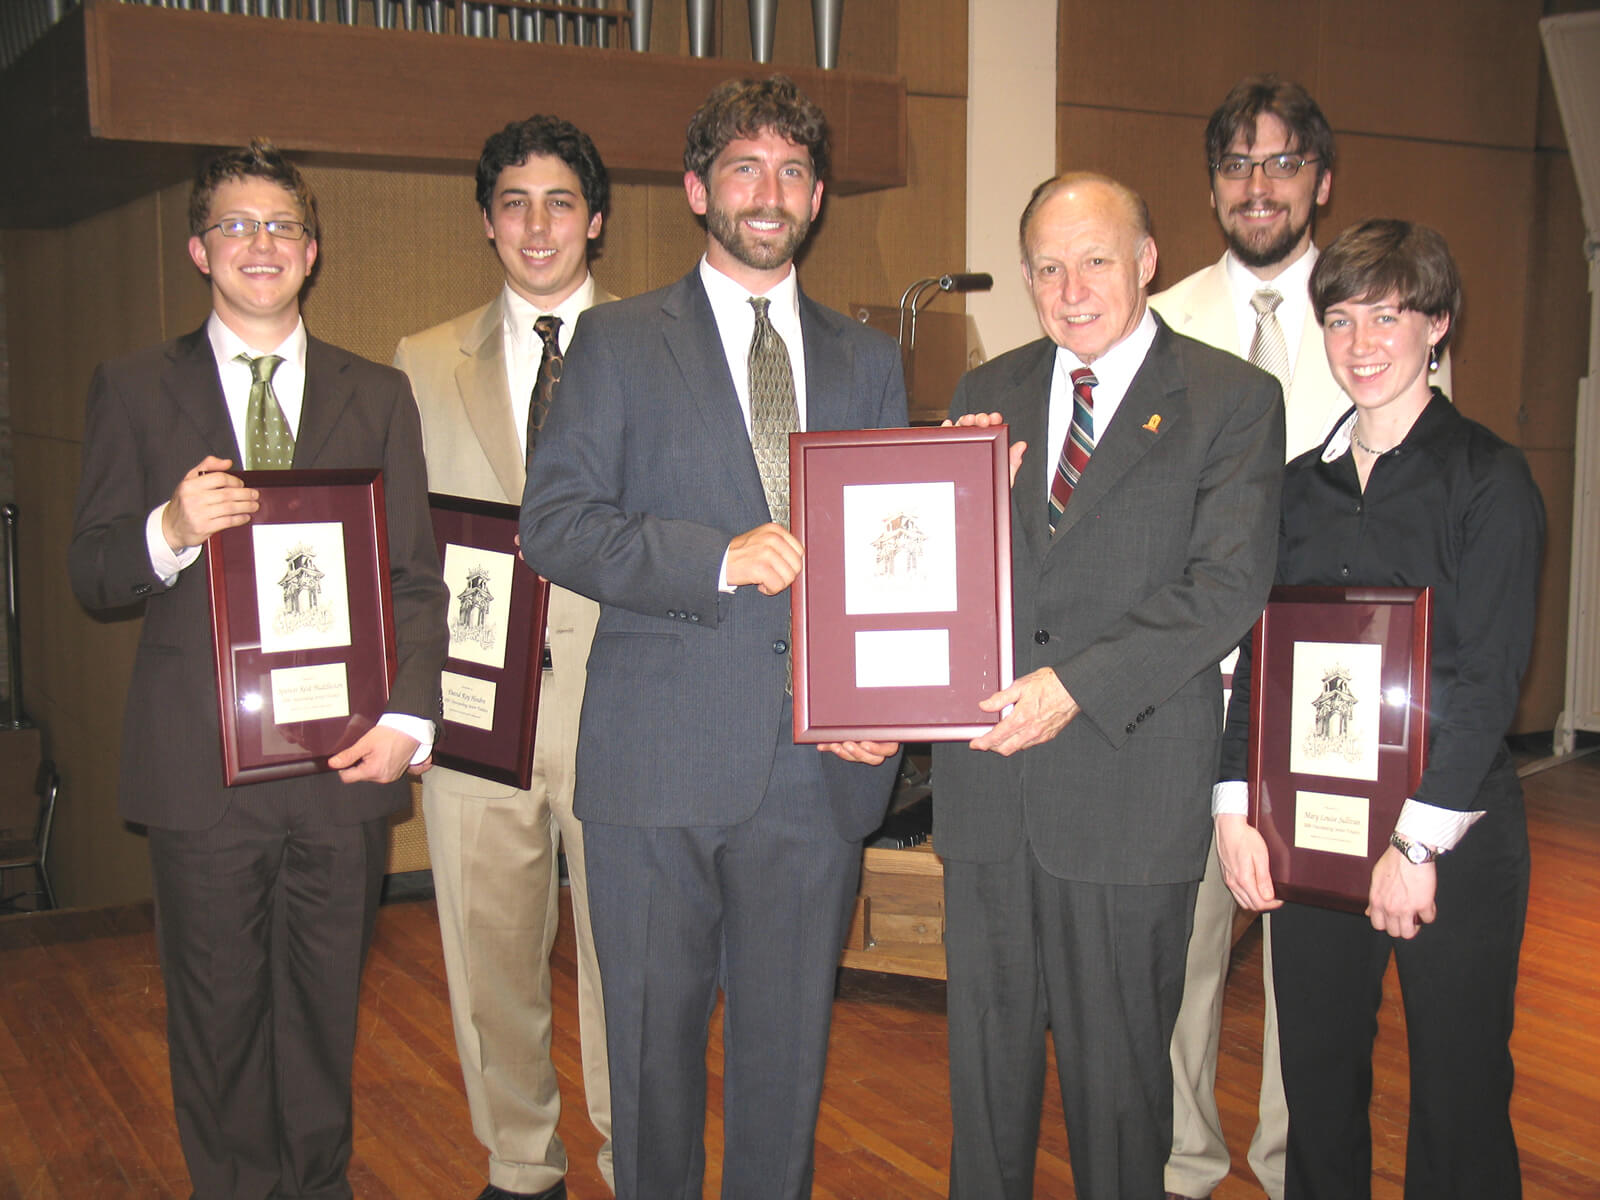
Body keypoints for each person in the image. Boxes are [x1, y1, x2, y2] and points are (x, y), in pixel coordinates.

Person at [518, 76, 907, 1200]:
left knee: (786, 1072)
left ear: (818, 196)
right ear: (697, 190)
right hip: (658, 768)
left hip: (814, 770)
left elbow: (893, 555)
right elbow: (557, 526)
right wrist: (716, 557)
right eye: (743, 167)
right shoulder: (615, 341)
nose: (768, 191)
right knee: (650, 1067)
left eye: (791, 171)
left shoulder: (866, 358)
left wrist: (876, 709)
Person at [68, 140, 447, 1198]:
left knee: (323, 1018)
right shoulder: (135, 388)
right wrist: (168, 527)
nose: (260, 244)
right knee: (219, 1020)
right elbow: (93, 571)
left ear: (312, 251)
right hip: (203, 775)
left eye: (280, 225)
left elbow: (415, 577)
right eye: (236, 225)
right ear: (199, 250)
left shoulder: (378, 395)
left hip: (343, 765)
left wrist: (410, 720)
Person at [931, 172, 1285, 1200]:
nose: (1070, 286)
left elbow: (1223, 589)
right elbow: (935, 585)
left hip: (1126, 797)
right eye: (1047, 265)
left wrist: (1071, 687)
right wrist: (962, 507)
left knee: (1120, 1093)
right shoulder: (981, 396)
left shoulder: (1229, 401)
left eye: (1094, 260)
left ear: (1145, 261)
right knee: (983, 1091)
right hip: (989, 794)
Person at [1148, 74, 1441, 1200]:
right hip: (1190, 690)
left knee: (1310, 964)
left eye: (1279, 164)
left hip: (1329, 706)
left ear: (1321, 179)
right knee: (1180, 949)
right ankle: (1181, 1159)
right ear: (1212, 184)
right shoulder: (1162, 317)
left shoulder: (1375, 319)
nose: (1256, 186)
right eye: (1236, 165)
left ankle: (1286, 1164)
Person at [1214, 219, 1543, 1199]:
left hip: (1454, 842)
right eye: (1342, 317)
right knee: (1315, 1091)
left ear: (1436, 324)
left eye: (1389, 316)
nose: (1361, 343)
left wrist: (1415, 848)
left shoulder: (1488, 480)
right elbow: (1256, 656)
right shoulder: (1293, 492)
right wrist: (1233, 809)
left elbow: (1488, 678)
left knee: (1460, 1094)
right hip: (1310, 837)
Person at [393, 115, 617, 1200]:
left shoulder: (657, 346)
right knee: (488, 964)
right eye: (515, 203)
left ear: (597, 219)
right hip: (475, 715)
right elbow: (401, 551)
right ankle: (521, 1166)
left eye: (560, 201)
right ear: (487, 222)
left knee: (631, 966)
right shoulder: (422, 360)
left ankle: (638, 1156)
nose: (538, 225)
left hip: (627, 712)